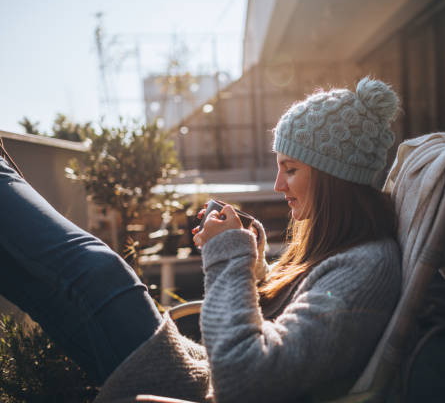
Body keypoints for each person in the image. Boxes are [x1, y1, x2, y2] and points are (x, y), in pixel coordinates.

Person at [0, 77, 402, 402]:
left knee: (97, 271)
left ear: (334, 177)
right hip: (191, 377)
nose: (279, 184)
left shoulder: (367, 267)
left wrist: (227, 256)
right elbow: (286, 337)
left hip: (190, 387)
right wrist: (253, 260)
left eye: (291, 169)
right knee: (47, 287)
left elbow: (248, 378)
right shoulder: (351, 255)